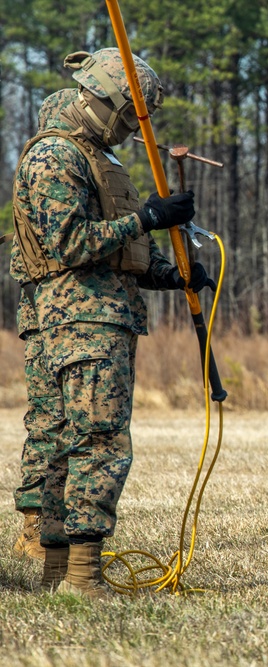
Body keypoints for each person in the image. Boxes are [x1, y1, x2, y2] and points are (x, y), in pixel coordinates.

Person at [11, 49, 210, 598]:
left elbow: (117, 254)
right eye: (127, 117)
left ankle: (58, 576)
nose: (128, 130)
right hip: (78, 322)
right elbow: (71, 243)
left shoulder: (96, 158)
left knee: (72, 444)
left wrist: (173, 276)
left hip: (98, 316)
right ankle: (80, 577)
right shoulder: (56, 155)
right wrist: (145, 217)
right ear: (105, 102)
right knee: (95, 444)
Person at [6, 88, 77, 563]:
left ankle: (51, 523)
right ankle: (34, 527)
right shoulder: (47, 172)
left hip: (60, 319)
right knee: (51, 421)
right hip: (47, 322)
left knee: (65, 424)